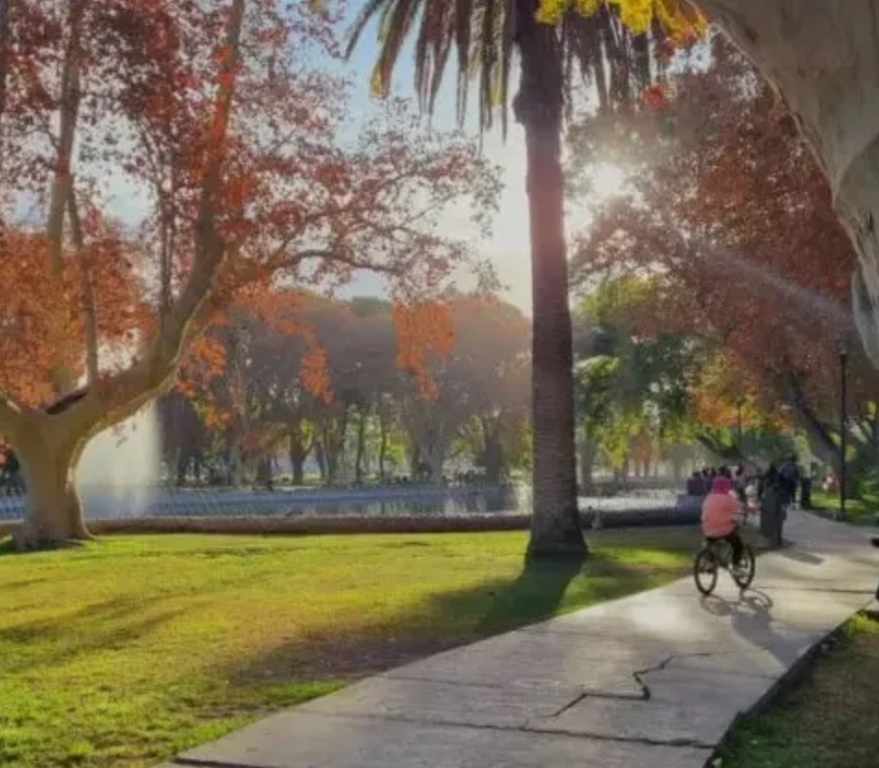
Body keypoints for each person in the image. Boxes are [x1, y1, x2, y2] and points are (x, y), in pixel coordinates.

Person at [701, 475, 745, 568]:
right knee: (738, 545)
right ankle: (736, 565)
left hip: (707, 529)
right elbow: (739, 507)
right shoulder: (728, 499)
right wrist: (751, 509)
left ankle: (710, 561)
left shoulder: (709, 497)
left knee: (711, 541)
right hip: (723, 530)